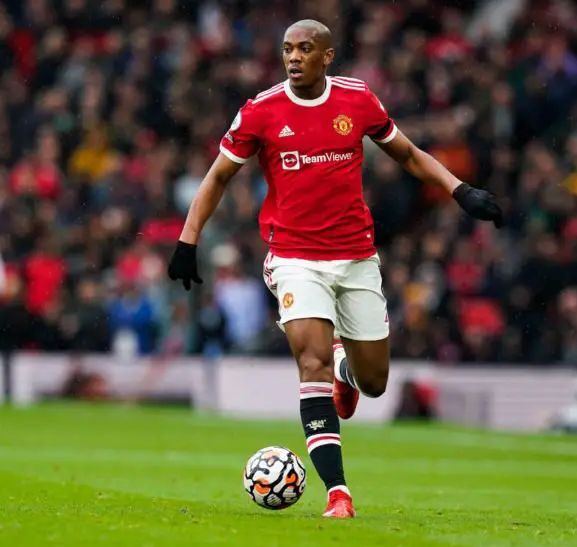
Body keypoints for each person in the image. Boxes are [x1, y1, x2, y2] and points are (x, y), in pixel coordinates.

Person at [167, 19, 503, 518]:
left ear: (327, 56)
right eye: (287, 49)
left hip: (356, 258)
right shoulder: (260, 111)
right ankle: (338, 493)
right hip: (295, 259)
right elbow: (218, 177)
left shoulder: (357, 99)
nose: (293, 57)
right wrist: (187, 240)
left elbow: (408, 154)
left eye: (305, 49)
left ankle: (348, 368)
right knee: (312, 365)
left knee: (375, 383)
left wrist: (460, 190)